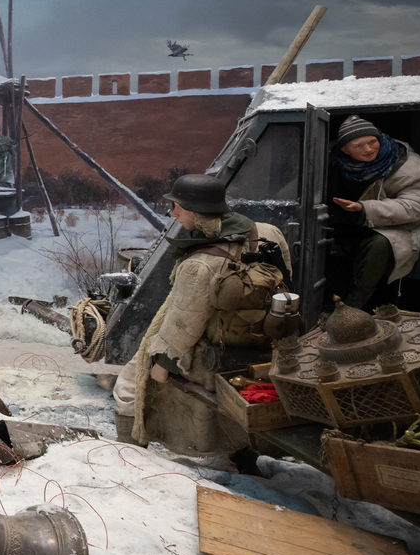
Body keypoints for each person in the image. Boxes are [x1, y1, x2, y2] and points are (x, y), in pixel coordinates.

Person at [113, 174, 291, 457]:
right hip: (259, 342)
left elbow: (183, 323)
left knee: (129, 385)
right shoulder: (268, 232)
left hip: (209, 348)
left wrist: (162, 364)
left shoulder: (199, 264)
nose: (173, 214)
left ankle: (129, 455)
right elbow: (285, 278)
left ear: (195, 212)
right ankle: (242, 456)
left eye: (178, 208)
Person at [327, 114, 420, 309]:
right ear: (344, 149)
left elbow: (417, 205)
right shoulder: (335, 161)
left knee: (378, 245)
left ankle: (354, 305)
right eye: (358, 146)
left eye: (373, 142)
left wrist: (364, 208)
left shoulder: (415, 168)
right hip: (349, 222)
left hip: (398, 226)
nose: (368, 149)